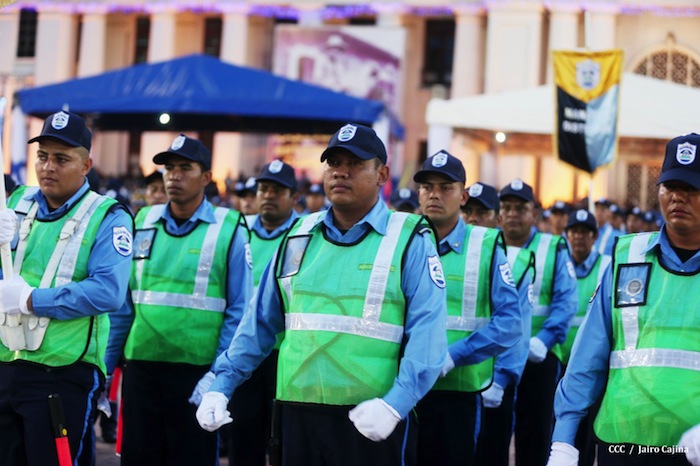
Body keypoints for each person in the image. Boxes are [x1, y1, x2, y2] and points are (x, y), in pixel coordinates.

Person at [196, 122, 448, 466]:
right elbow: (258, 325)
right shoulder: (298, 235)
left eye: (355, 163)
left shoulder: (409, 239)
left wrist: (396, 403)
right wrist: (221, 384)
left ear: (382, 174)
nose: (341, 172)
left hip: (371, 418)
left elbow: (428, 336)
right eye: (333, 163)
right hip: (297, 413)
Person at [548, 133, 700, 466]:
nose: (678, 197)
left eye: (691, 188)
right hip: (623, 444)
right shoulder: (628, 256)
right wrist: (564, 439)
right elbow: (589, 354)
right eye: (670, 186)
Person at [105, 134, 253, 466]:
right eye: (169, 168)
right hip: (141, 370)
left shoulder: (228, 228)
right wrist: (106, 368)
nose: (174, 176)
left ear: (206, 177)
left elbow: (239, 311)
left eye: (185, 168)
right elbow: (123, 306)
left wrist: (218, 376)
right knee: (138, 458)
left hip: (196, 373)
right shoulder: (142, 221)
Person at [0, 110, 133, 466]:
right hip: (7, 363)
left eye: (61, 159)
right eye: (42, 156)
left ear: (86, 165)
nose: (48, 167)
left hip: (62, 374)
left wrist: (31, 300)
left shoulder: (108, 216)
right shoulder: (16, 202)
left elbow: (108, 292)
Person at [413, 152, 521, 465]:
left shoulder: (484, 245)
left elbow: (510, 322)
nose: (434, 194)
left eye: (445, 187)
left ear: (463, 196)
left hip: (456, 392)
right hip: (405, 388)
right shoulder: (403, 239)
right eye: (427, 187)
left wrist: (455, 355)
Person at [499, 179, 578, 466]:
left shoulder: (553, 246)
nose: (512, 214)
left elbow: (566, 301)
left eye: (520, 208)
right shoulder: (488, 245)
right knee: (493, 436)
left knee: (534, 435)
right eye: (507, 208)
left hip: (538, 357)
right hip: (496, 356)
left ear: (534, 214)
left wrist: (544, 339)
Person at [229, 159, 299, 466]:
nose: (268, 195)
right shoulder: (238, 231)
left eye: (277, 190)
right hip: (245, 350)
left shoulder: (304, 234)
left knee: (284, 441)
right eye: (264, 189)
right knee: (243, 437)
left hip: (285, 355)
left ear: (294, 197)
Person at [466, 181, 535, 466]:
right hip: (452, 378)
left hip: (492, 383)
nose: (472, 219)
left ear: (497, 219)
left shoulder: (514, 263)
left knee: (491, 454)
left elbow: (518, 328)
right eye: (467, 211)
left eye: (481, 213)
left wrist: (502, 379)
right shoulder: (443, 254)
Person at [560, 208, 611, 466]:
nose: (579, 237)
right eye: (574, 232)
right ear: (567, 235)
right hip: (559, 361)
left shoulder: (607, 266)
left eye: (585, 232)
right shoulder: (560, 263)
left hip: (591, 366)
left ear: (594, 237)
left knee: (587, 435)